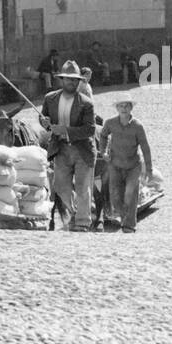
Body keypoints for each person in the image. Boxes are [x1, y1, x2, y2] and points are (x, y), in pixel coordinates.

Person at [40, 60, 96, 232]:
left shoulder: (86, 103)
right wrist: (45, 123)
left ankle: (82, 222)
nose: (71, 82)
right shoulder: (50, 99)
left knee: (82, 187)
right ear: (62, 80)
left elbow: (90, 129)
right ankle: (73, 212)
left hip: (82, 149)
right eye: (68, 79)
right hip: (61, 149)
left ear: (78, 81)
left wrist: (66, 131)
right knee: (61, 186)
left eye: (74, 80)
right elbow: (44, 119)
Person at [100, 93, 153, 234]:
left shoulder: (137, 126)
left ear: (131, 108)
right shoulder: (110, 123)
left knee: (130, 194)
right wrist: (103, 152)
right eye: (121, 106)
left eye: (126, 106)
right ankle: (124, 218)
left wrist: (149, 169)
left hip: (133, 166)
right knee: (115, 197)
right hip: (115, 165)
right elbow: (103, 135)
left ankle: (129, 226)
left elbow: (145, 147)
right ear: (117, 108)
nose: (124, 108)